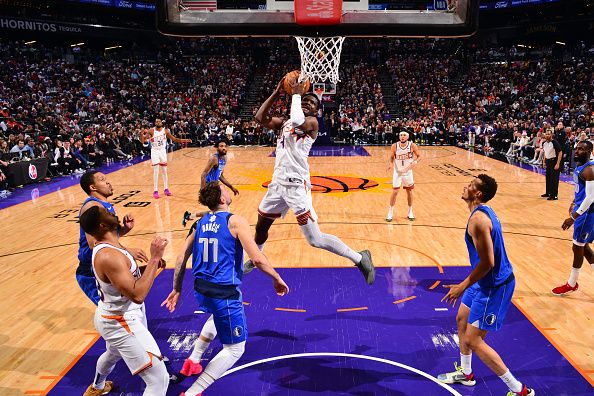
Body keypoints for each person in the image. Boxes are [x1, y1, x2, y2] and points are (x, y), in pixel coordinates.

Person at [162, 181, 289, 396]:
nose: (228, 192)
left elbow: (181, 256)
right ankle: (193, 392)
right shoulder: (235, 222)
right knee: (235, 349)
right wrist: (276, 278)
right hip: (223, 293)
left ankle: (192, 361)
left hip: (201, 289)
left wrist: (176, 289)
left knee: (216, 317)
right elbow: (257, 259)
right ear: (222, 199)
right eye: (225, 190)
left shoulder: (200, 223)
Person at [247, 76, 375, 284]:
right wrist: (277, 92)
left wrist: (296, 94)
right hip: (277, 184)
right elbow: (259, 118)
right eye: (305, 99)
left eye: (312, 102)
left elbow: (299, 121)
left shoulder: (312, 123)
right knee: (261, 227)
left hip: (297, 185)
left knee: (315, 239)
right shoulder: (285, 123)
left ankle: (360, 258)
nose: (307, 102)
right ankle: (256, 259)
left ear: (316, 110)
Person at [438, 174, 534, 396]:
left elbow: (489, 262)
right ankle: (466, 373)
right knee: (461, 318)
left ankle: (519, 390)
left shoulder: (478, 220)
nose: (465, 186)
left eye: (471, 185)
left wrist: (463, 285)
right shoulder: (480, 213)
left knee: (473, 339)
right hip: (483, 281)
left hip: (495, 285)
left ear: (478, 194)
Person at [80, 206, 169, 396]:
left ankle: (97, 387)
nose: (112, 212)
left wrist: (150, 268)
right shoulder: (108, 255)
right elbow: (137, 295)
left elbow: (127, 279)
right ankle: (97, 387)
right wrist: (154, 259)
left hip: (115, 313)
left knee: (113, 353)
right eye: (107, 213)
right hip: (120, 320)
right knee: (159, 378)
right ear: (103, 225)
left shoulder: (112, 245)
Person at [77, 171, 147, 305]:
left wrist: (124, 229)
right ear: (93, 187)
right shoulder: (92, 207)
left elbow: (106, 237)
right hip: (91, 270)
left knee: (125, 304)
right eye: (102, 180)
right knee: (114, 310)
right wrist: (126, 251)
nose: (108, 182)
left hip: (104, 263)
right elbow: (93, 243)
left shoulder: (104, 206)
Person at [552, 140, 594, 295]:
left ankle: (572, 284)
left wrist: (573, 217)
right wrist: (573, 201)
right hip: (583, 211)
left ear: (590, 151)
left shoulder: (589, 170)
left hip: (586, 215)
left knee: (578, 248)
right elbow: (581, 191)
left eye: (581, 149)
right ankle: (572, 283)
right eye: (577, 148)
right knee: (583, 247)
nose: (577, 151)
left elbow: (590, 198)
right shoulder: (581, 165)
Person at [182, 138, 239, 227]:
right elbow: (203, 174)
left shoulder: (224, 158)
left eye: (225, 146)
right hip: (209, 186)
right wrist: (202, 191)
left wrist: (232, 187)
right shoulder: (214, 158)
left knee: (223, 205)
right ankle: (219, 225)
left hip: (216, 184)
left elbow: (220, 175)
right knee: (223, 206)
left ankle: (190, 216)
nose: (223, 148)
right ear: (217, 148)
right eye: (221, 146)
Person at [140, 119, 191, 199]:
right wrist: (141, 134)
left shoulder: (166, 131)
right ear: (155, 123)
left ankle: (166, 189)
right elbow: (143, 141)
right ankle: (155, 191)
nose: (157, 122)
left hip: (162, 151)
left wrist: (185, 140)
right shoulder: (151, 130)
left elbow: (174, 139)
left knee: (164, 171)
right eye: (156, 121)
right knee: (156, 171)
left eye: (159, 121)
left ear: (161, 123)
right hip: (155, 151)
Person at [386, 131, 421, 221]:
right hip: (397, 172)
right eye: (401, 135)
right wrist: (390, 164)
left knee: (409, 192)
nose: (402, 136)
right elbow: (391, 157)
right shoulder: (394, 146)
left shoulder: (412, 145)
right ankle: (390, 212)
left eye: (404, 135)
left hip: (408, 172)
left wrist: (415, 161)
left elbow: (419, 156)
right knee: (395, 192)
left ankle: (410, 211)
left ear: (407, 137)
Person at [541, 129, 563, 200]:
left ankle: (554, 195)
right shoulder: (544, 143)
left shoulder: (554, 142)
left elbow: (560, 152)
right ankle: (548, 193)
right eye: (546, 134)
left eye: (549, 134)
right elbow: (545, 153)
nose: (547, 135)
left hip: (554, 162)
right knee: (548, 178)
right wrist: (544, 162)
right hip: (548, 161)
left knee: (554, 179)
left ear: (551, 135)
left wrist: (557, 164)